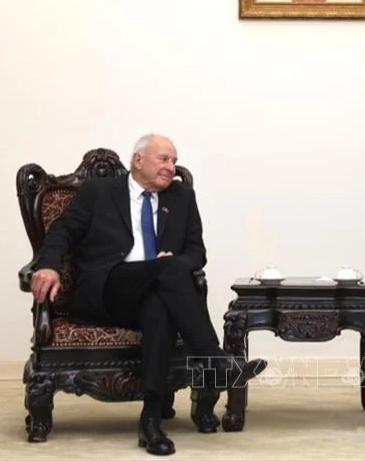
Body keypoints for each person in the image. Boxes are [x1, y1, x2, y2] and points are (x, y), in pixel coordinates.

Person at [30, 134, 266, 456]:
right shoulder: (99, 192)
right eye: (164, 159)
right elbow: (63, 230)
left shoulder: (182, 197)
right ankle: (213, 358)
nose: (171, 167)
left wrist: (175, 264)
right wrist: (48, 266)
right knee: (167, 274)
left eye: (174, 160)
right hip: (109, 291)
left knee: (160, 304)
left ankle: (151, 421)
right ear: (138, 160)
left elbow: (197, 252)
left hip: (154, 292)